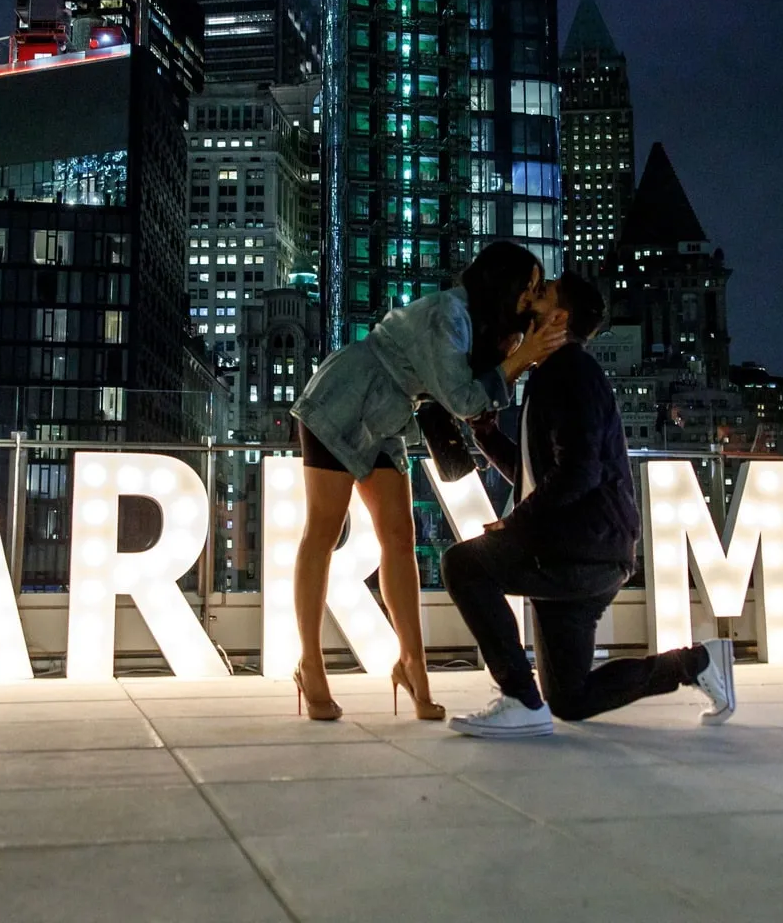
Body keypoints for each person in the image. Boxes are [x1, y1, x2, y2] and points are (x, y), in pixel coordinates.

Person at [440, 271, 735, 738]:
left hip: (581, 548)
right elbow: (540, 478)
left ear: (559, 317)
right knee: (572, 699)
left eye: (544, 293)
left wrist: (515, 525)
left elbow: (580, 473)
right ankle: (696, 662)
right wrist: (488, 436)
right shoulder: (553, 375)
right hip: (585, 547)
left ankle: (519, 697)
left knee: (463, 565)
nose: (531, 296)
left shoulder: (570, 373)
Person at [289, 242, 567, 721]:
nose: (533, 297)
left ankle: (412, 663)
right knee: (324, 531)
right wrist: (524, 358)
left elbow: (476, 400)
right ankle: (310, 664)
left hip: (389, 414)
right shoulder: (451, 313)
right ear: (504, 285)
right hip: (347, 393)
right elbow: (462, 399)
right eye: (531, 288)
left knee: (400, 539)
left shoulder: (477, 324)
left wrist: (523, 348)